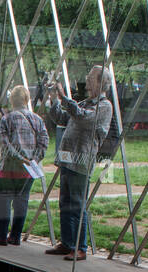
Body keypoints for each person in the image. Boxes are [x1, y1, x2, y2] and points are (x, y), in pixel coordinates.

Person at [43, 64, 113, 261]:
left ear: (101, 82)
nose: (87, 81)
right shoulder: (85, 102)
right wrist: (54, 100)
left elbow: (83, 119)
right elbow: (62, 117)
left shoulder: (104, 106)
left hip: (81, 162)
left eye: (91, 77)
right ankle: (67, 243)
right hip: (68, 161)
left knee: (77, 205)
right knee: (65, 203)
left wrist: (65, 98)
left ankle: (81, 247)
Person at [0, 85, 47, 246]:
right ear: (27, 100)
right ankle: (15, 236)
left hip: (8, 168)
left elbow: (5, 145)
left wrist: (19, 158)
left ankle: (1, 235)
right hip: (27, 171)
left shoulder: (6, 119)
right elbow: (44, 142)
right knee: (21, 202)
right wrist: (32, 160)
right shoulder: (38, 120)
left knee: (4, 201)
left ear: (11, 100)